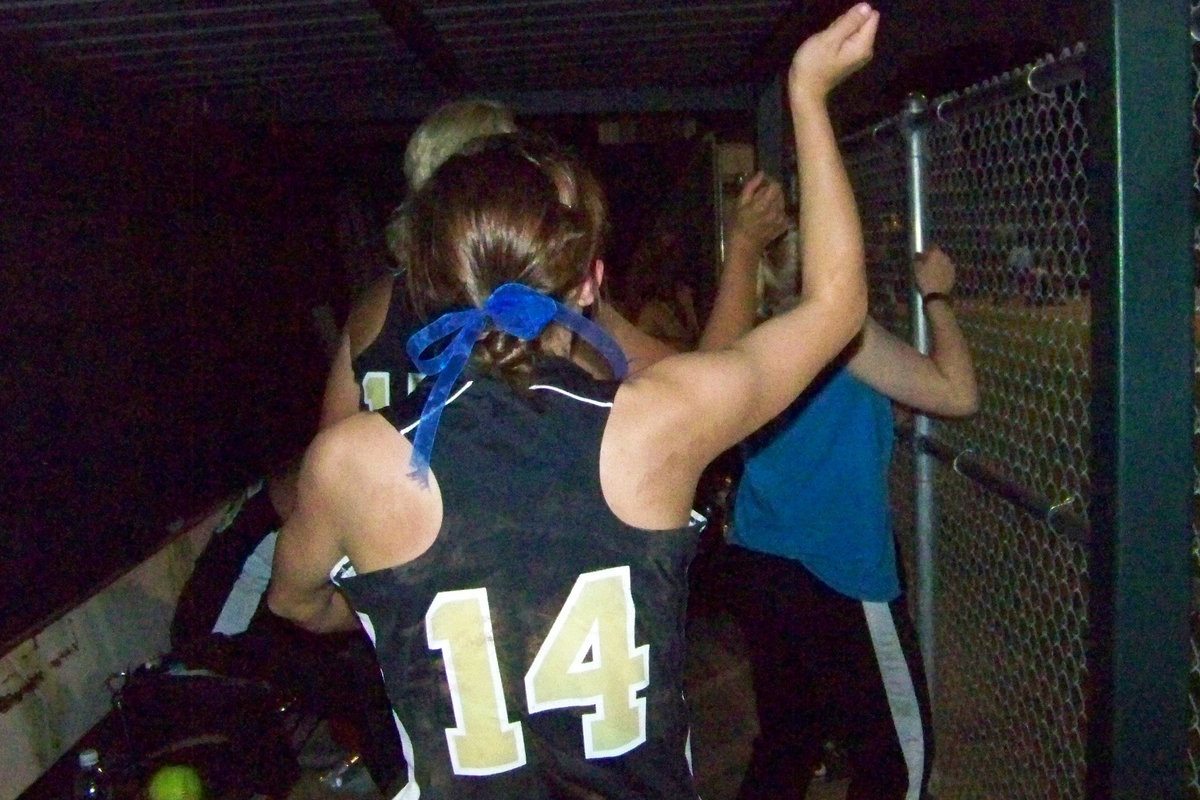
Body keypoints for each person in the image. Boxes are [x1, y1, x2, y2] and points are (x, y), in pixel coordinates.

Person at [266, 6, 878, 799]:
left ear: (425, 287)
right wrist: (807, 95)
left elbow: (295, 600)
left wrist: (404, 613)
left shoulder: (351, 461)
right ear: (589, 285)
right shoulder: (656, 424)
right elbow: (836, 305)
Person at [713, 241, 978, 799]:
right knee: (899, 763)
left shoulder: (749, 336)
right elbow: (958, 394)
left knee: (789, 741)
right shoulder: (840, 335)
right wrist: (936, 295)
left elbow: (863, 407)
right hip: (841, 572)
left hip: (763, 562)